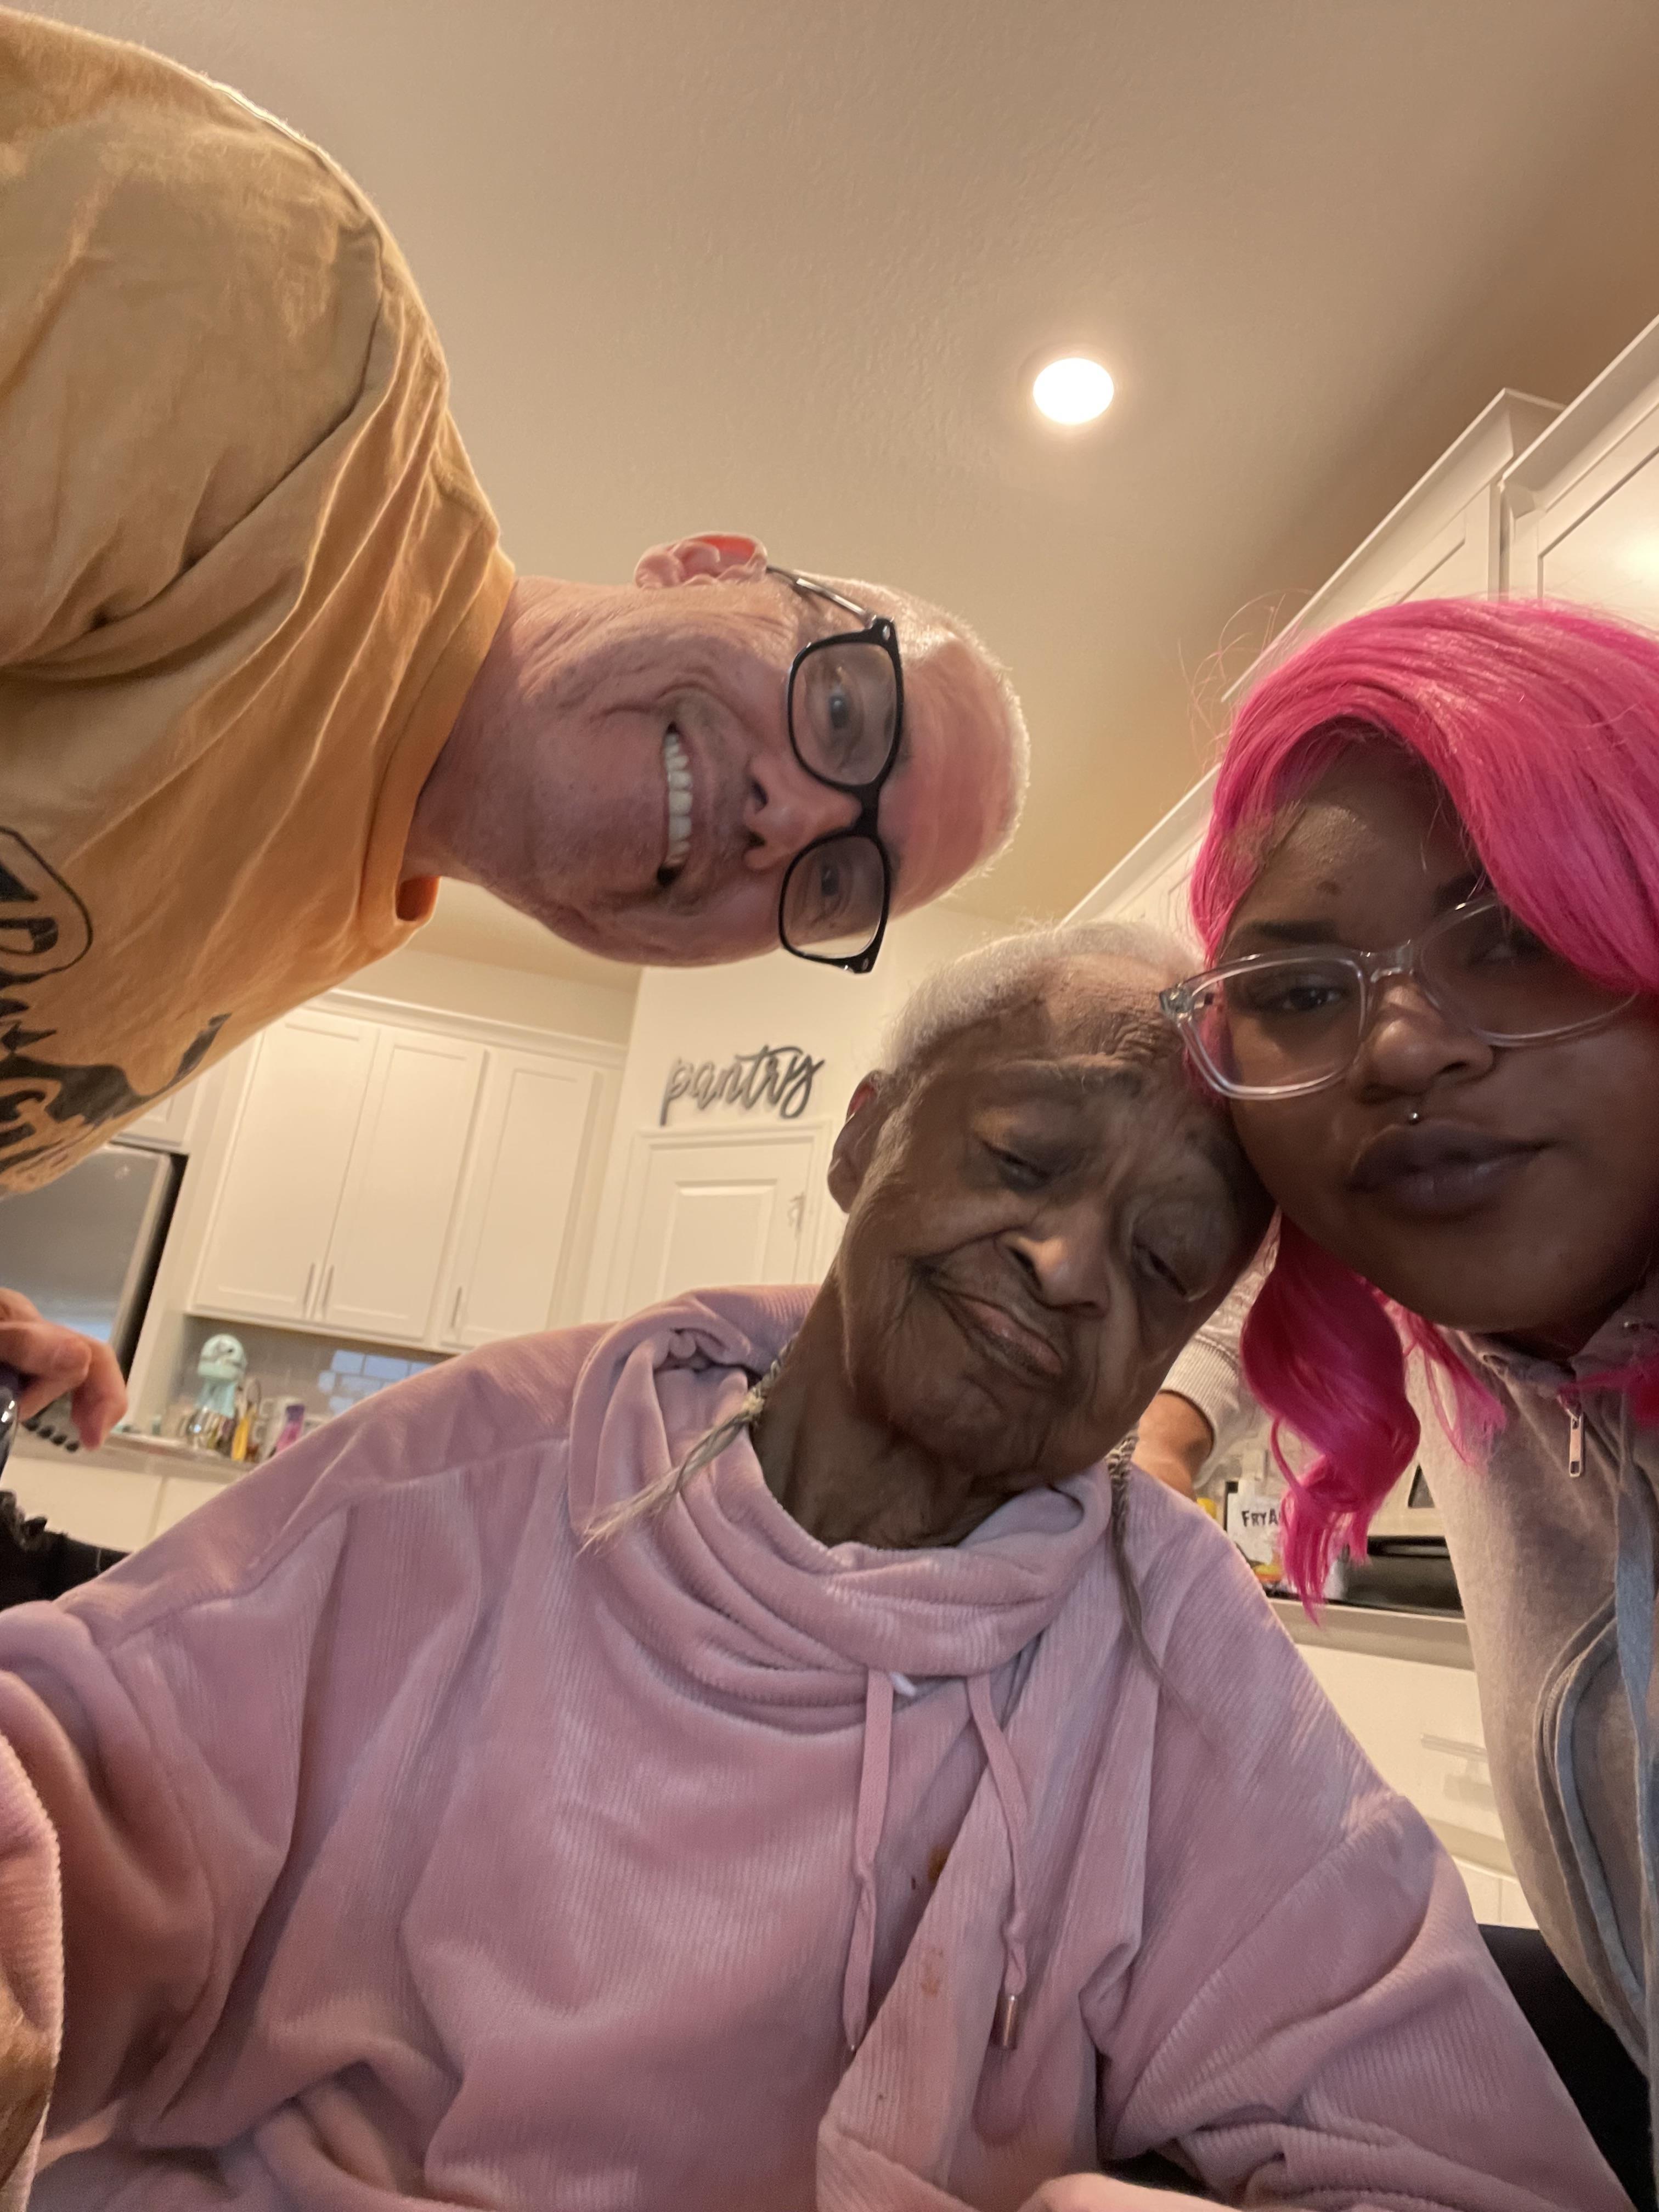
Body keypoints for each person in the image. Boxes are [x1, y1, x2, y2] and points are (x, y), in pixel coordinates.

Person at [0, 921, 1625, 2210]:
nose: (1068, 1270)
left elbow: (1459, 2152)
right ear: (864, 1142)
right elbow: (77, 1767)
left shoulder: (1170, 1648)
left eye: (1160, 1259)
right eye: (1023, 1159)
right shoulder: (490, 1454)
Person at [0, 7, 1028, 1206]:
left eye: (841, 884)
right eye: (845, 709)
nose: (790, 819)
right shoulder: (302, 368)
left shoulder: (334, 917)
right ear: (704, 563)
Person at [1149, 595, 1659, 2210]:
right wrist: (1157, 1449)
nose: (1401, 1048)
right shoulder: (1488, 1316)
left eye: (1510, 928)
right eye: (1300, 990)